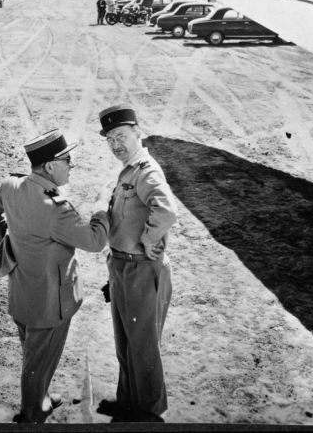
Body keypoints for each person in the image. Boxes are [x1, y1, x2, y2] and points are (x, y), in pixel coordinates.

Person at [0, 129, 110, 424]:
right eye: (67, 160)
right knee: (38, 361)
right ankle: (34, 412)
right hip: (50, 302)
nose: (71, 165)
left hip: (22, 292)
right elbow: (95, 242)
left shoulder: (11, 186)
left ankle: (41, 399)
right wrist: (100, 211)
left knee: (34, 355)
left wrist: (5, 238)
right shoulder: (56, 209)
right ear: (50, 166)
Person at [96, 105, 177, 423]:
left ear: (137, 133)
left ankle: (147, 412)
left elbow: (166, 210)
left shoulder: (146, 170)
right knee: (125, 341)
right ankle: (128, 401)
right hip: (123, 268)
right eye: (110, 139)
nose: (116, 144)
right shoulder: (129, 169)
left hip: (142, 268)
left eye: (121, 136)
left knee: (142, 346)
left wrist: (148, 240)